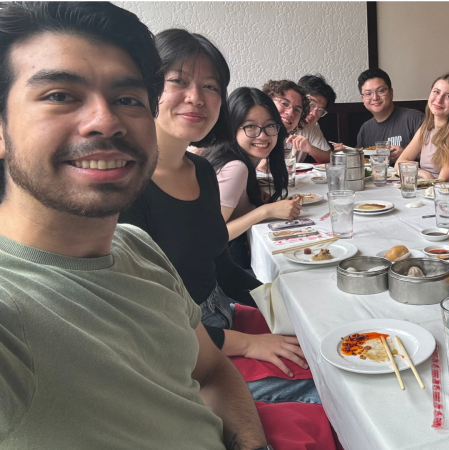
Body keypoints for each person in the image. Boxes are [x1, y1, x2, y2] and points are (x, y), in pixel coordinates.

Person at [0, 2, 267, 448]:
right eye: (60, 95)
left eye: (127, 99)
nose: (106, 120)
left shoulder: (136, 246)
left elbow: (212, 371)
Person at [119, 30, 316, 403]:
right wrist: (249, 344)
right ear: (146, 87)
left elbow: (220, 265)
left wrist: (275, 299)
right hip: (183, 354)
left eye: (210, 86)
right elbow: (148, 322)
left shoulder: (202, 171)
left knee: (324, 344)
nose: (196, 97)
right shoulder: (126, 185)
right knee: (321, 392)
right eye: (177, 81)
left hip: (221, 317)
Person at [200, 88, 302, 270]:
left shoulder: (241, 160)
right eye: (250, 127)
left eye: (270, 125)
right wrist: (266, 211)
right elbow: (212, 237)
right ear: (232, 128)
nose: (262, 135)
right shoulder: (236, 167)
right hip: (220, 271)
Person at [394, 73, 449, 195]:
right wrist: (420, 172)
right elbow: (400, 163)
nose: (439, 99)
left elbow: (444, 181)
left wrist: (415, 173)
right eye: (436, 92)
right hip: (433, 191)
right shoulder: (426, 127)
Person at [340, 68, 424, 162]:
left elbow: (437, 154)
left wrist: (407, 154)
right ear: (363, 99)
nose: (375, 97)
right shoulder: (366, 129)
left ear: (391, 92)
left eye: (380, 91)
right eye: (368, 94)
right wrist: (343, 153)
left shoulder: (414, 118)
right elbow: (360, 160)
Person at [295, 74, 336, 163]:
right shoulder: (276, 120)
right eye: (311, 105)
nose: (313, 113)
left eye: (320, 111)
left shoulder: (312, 126)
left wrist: (310, 149)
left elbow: (329, 158)